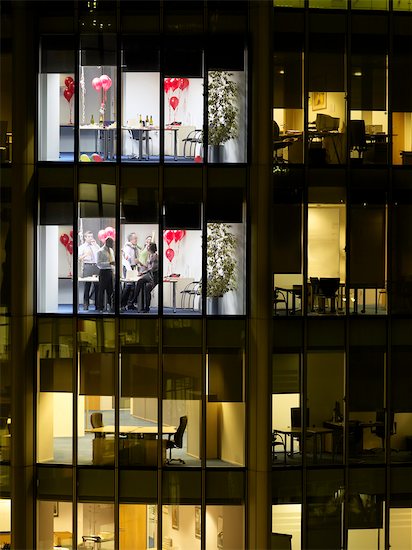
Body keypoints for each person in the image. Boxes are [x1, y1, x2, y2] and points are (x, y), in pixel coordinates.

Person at [78, 230, 100, 311]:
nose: (91, 238)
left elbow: (100, 254)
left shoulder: (95, 246)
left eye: (92, 236)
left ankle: (97, 305)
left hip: (96, 266)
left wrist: (97, 245)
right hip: (87, 266)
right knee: (87, 286)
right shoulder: (82, 247)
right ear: (85, 238)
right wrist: (85, 255)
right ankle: (85, 305)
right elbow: (79, 258)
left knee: (97, 286)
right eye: (89, 236)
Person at [134, 242, 158, 312]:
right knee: (140, 281)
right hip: (149, 275)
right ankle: (135, 299)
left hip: (154, 276)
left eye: (148, 246)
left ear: (151, 248)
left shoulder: (155, 256)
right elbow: (147, 267)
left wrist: (143, 272)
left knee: (147, 288)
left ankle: (147, 307)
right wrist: (140, 264)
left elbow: (152, 268)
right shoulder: (150, 256)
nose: (146, 248)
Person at [121, 232, 140, 309]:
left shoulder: (135, 248)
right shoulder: (127, 247)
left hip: (133, 267)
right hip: (128, 268)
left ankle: (130, 304)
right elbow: (125, 260)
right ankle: (122, 304)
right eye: (135, 238)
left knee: (133, 287)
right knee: (128, 286)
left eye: (136, 238)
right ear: (131, 239)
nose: (136, 240)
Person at [96, 236, 115, 312]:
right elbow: (98, 263)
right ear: (107, 242)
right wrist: (109, 263)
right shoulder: (100, 251)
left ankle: (110, 305)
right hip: (103, 272)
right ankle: (100, 307)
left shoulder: (111, 250)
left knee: (110, 290)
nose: (112, 244)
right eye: (111, 243)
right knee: (101, 290)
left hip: (110, 271)